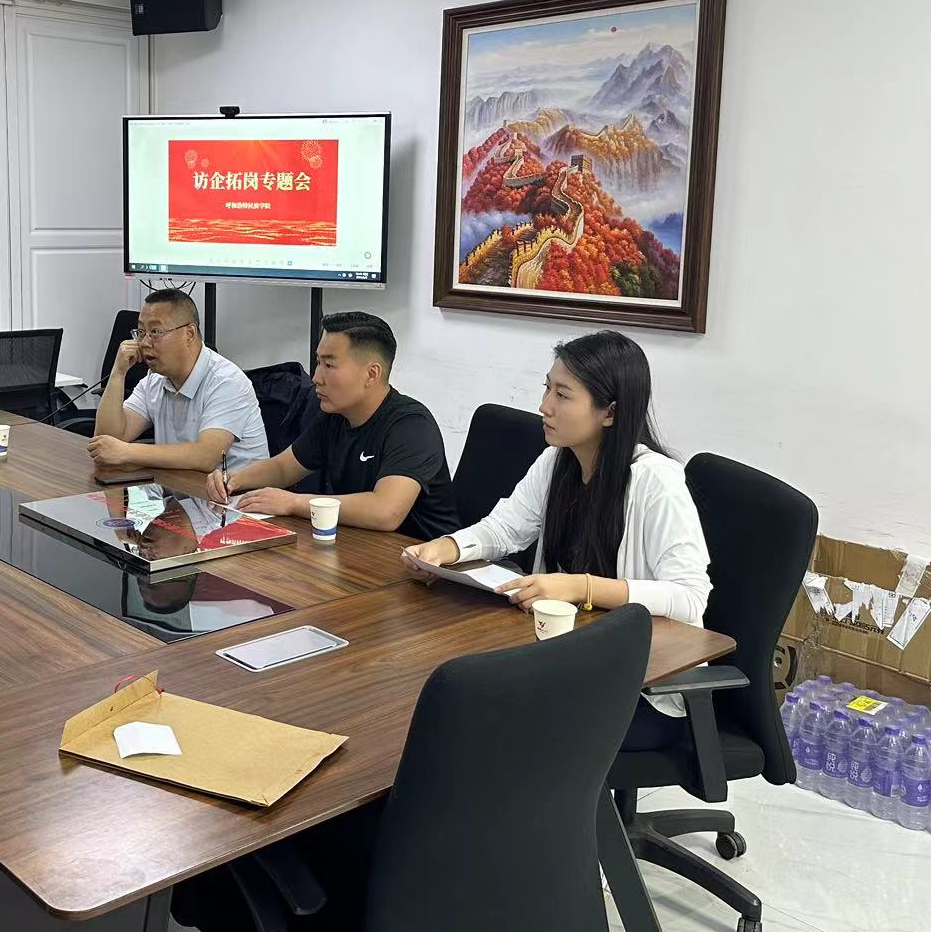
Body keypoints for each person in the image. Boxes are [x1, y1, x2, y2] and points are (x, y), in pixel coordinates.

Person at [400, 329, 712, 746]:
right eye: (547, 388)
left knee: (495, 730)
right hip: (570, 658)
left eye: (562, 395)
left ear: (610, 413)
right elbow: (505, 527)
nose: (544, 406)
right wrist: (447, 548)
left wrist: (581, 587)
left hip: (642, 686)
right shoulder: (557, 460)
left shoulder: (656, 482)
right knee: (456, 702)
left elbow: (690, 597)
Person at [204, 311, 460, 540]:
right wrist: (235, 478)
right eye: (318, 362)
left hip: (422, 562)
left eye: (329, 365)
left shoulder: (412, 426)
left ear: (372, 374)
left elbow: (385, 511)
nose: (316, 377)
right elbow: (283, 467)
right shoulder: (334, 415)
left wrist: (294, 502)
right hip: (358, 547)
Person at [89, 287, 269, 473]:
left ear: (189, 334)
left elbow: (206, 456)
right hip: (181, 487)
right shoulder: (154, 380)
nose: (144, 343)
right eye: (141, 332)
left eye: (155, 331)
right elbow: (106, 443)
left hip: (238, 491)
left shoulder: (226, 381)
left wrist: (129, 452)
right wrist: (118, 373)